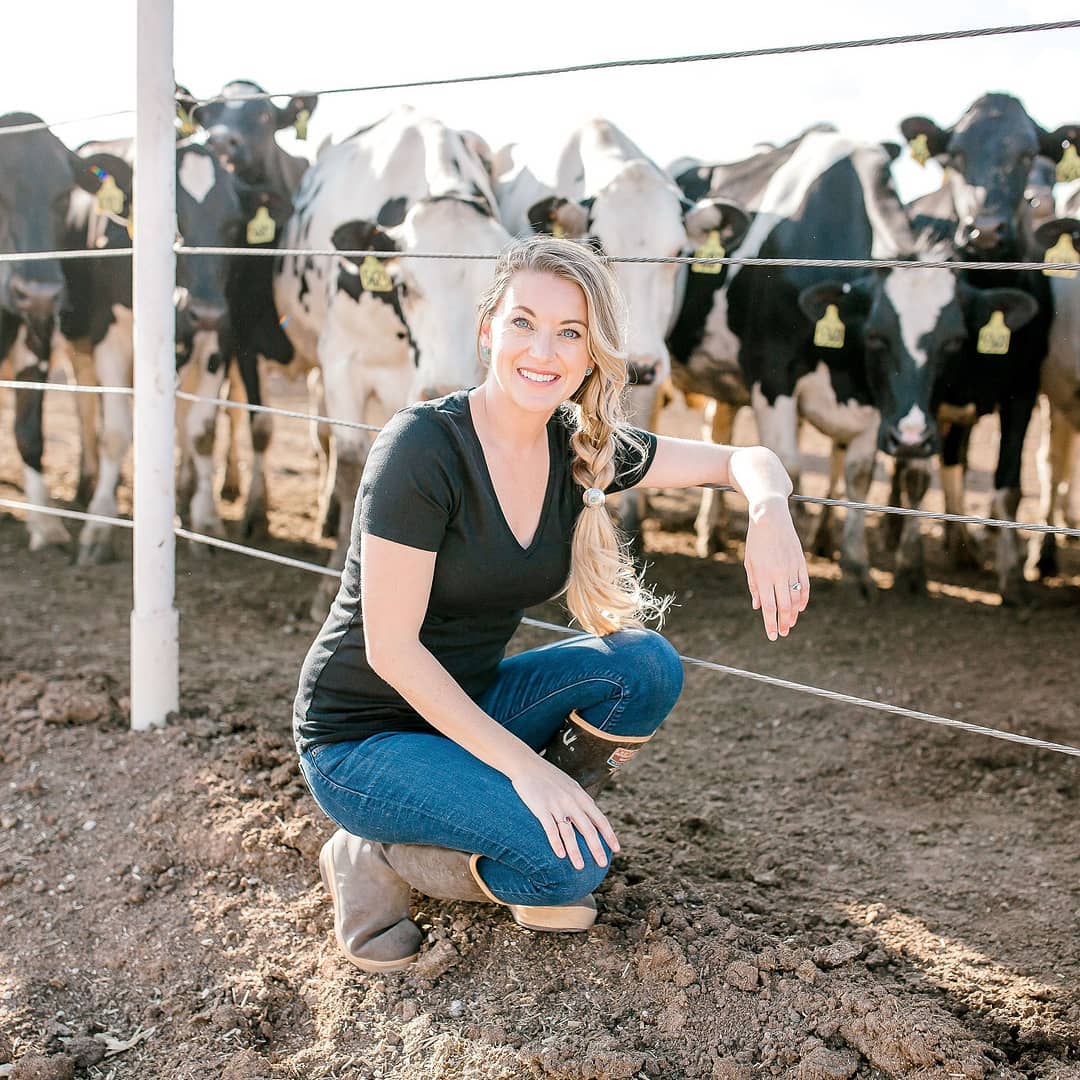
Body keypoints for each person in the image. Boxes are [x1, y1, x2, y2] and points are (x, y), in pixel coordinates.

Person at [294, 236, 809, 973]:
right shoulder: (422, 448)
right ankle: (375, 850)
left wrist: (770, 512)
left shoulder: (581, 445)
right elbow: (392, 652)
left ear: (593, 352)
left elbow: (741, 460)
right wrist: (531, 772)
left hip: (467, 710)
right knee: (564, 877)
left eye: (571, 332)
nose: (545, 350)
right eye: (524, 323)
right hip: (361, 738)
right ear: (487, 331)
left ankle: (510, 811)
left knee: (645, 666)